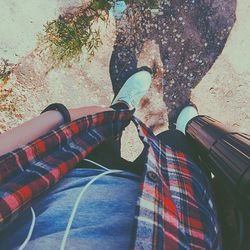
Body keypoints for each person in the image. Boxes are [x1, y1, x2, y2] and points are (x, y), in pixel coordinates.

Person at [0, 67, 219, 249]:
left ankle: (120, 106)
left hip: (69, 172)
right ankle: (187, 132)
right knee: (177, 143)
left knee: (107, 128)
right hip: (176, 216)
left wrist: (60, 117)